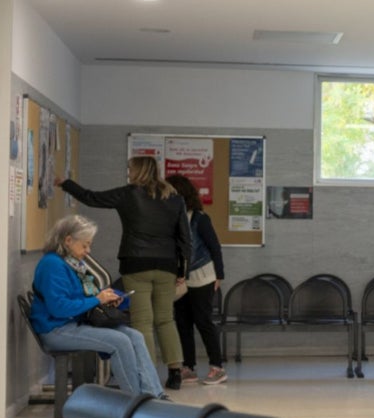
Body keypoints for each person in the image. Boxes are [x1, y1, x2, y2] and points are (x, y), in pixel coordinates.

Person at [55, 156, 190, 390]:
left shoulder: (129, 194)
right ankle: (175, 371)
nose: (128, 173)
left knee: (142, 321)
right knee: (166, 318)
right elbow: (185, 237)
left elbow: (92, 198)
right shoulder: (174, 198)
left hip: (136, 263)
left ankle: (148, 374)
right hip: (167, 264)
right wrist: (182, 269)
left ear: (138, 171)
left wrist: (65, 183)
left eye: (130, 169)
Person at [30, 215, 167, 399]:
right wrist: (97, 300)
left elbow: (83, 294)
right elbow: (59, 308)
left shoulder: (72, 263)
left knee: (135, 336)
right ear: (68, 241)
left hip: (73, 323)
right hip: (56, 329)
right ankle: (135, 402)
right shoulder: (52, 265)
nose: (88, 251)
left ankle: (154, 394)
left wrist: (108, 298)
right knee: (120, 342)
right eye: (84, 245)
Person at [166, 175, 227, 385]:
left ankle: (217, 367)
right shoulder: (171, 218)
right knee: (183, 323)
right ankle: (188, 367)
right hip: (182, 280)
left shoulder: (200, 218)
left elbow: (214, 247)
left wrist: (219, 275)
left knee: (203, 322)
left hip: (203, 277)